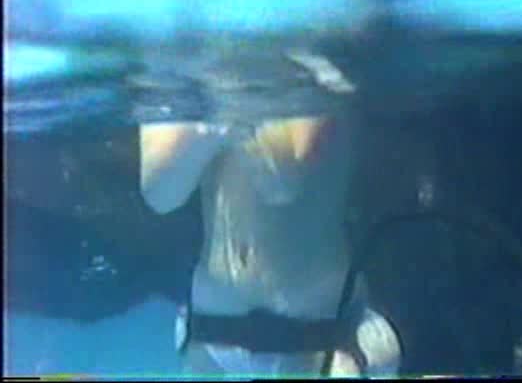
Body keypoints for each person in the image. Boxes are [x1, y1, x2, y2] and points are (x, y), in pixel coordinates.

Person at [139, 111, 403, 378]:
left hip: (321, 331)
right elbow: (160, 195)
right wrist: (209, 126)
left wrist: (224, 108)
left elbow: (280, 183)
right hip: (212, 324)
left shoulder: (313, 84)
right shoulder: (180, 88)